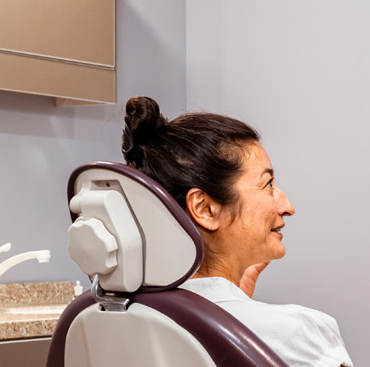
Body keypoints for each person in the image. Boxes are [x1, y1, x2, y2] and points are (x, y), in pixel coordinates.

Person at [122, 96, 354, 367]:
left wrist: (235, 303)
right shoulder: (298, 333)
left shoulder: (110, 320)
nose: (287, 206)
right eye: (267, 184)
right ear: (206, 209)